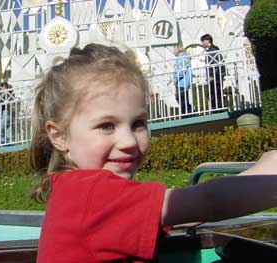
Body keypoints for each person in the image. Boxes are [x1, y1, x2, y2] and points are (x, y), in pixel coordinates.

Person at [30, 43, 277, 262]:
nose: (128, 141)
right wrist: (269, 174)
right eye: (106, 126)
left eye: (138, 123)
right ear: (59, 136)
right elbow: (210, 202)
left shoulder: (75, 191)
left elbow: (175, 216)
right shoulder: (90, 194)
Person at [200, 34, 226, 110]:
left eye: (203, 41)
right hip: (215, 74)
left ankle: (218, 108)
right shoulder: (212, 49)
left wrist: (213, 75)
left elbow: (217, 62)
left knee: (215, 92)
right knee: (214, 92)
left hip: (215, 75)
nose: (202, 43)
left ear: (208, 40)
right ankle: (217, 107)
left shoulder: (213, 50)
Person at [173, 45, 192, 116]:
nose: (173, 52)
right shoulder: (180, 57)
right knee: (181, 98)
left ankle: (188, 113)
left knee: (181, 98)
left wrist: (176, 78)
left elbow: (181, 69)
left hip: (182, 81)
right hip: (181, 82)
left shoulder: (183, 57)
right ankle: (187, 112)